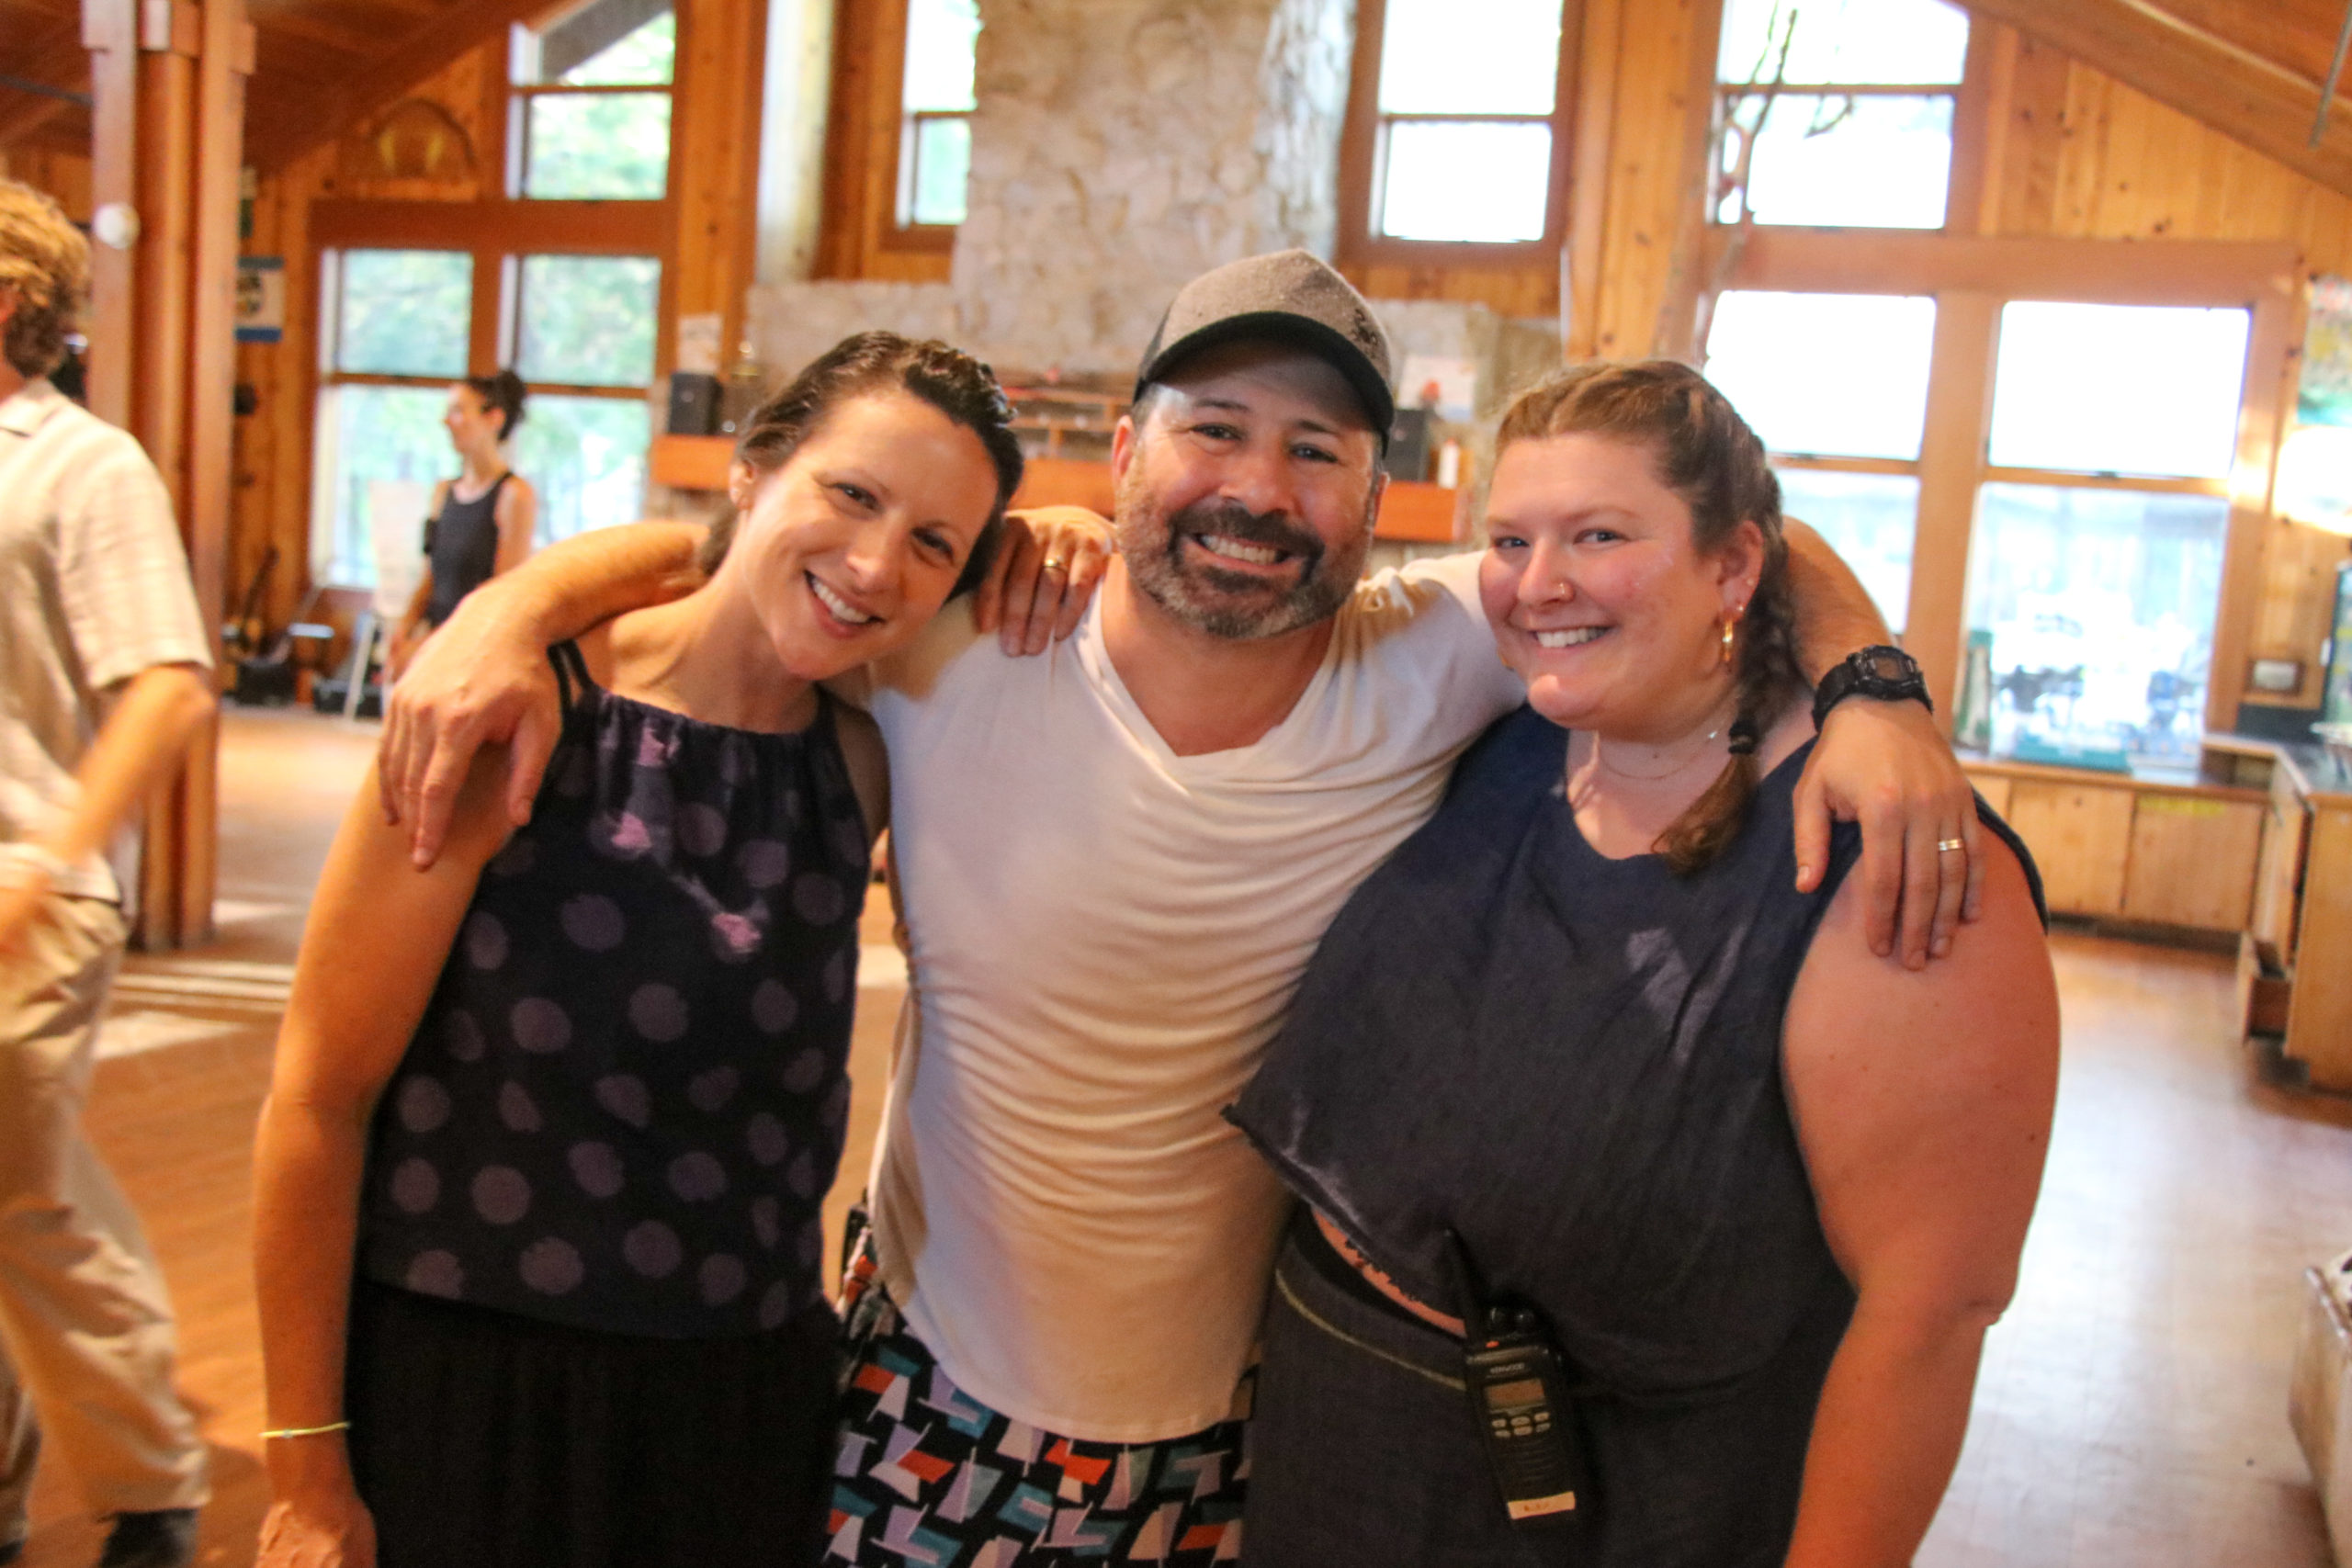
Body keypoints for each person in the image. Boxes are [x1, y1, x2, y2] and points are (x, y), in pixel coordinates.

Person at [379, 251, 1984, 1566]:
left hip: (1250, 1436)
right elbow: (756, 555)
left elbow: (1738, 543)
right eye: (1214, 429)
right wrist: (507, 610)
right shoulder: (958, 634)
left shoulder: (1444, 651)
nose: (1258, 488)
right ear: (1127, 446)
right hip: (922, 1384)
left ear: (1380, 495)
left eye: (1317, 451)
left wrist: (1874, 688)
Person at [250, 333, 1093, 1568]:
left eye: (932, 541)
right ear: (752, 468)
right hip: (475, 1391)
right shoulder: (515, 711)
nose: (875, 564)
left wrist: (1073, 528)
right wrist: (305, 1467)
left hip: (737, 1406)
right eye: (850, 493)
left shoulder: (865, 757)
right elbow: (318, 1098)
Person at [1229, 361, 2061, 1566]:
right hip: (1334, 1422)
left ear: (1733, 566)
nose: (1538, 583)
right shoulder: (1515, 727)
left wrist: (1876, 696)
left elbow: (1931, 1311)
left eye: (1600, 535)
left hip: (1619, 1494)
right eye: (1510, 539)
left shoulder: (1877, 842)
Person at [0, 179, 217, 1568]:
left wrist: (49, 859)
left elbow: (169, 684)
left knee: (25, 1196)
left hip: (28, 889)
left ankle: (152, 1491)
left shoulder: (84, 465)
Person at [386, 370, 537, 681]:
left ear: (494, 419)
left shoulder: (514, 495)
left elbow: (501, 595)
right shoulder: (443, 491)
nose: (446, 421)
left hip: (475, 656)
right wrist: (404, 628)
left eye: (458, 411)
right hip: (434, 642)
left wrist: (429, 647)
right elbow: (430, 574)